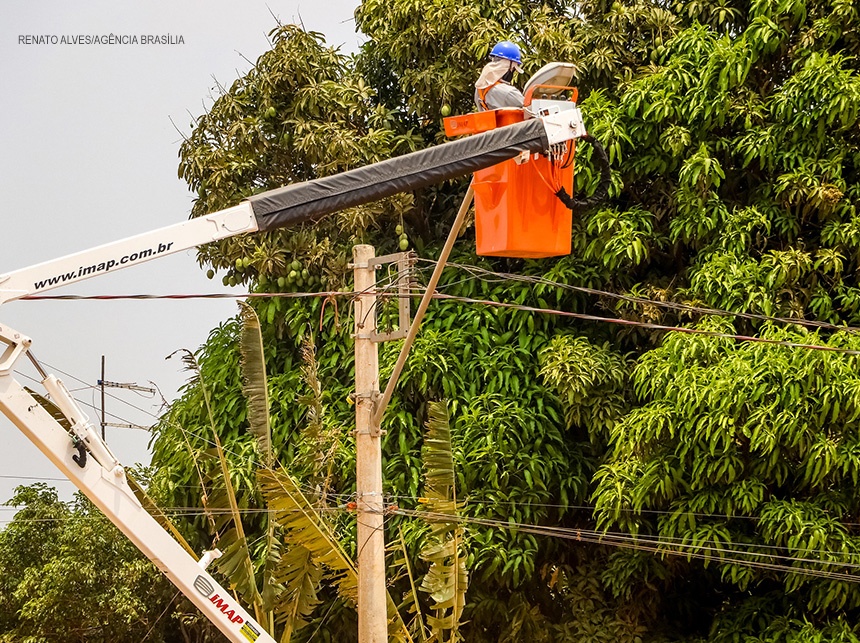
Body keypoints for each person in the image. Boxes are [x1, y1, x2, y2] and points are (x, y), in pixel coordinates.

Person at [474, 41, 525, 111]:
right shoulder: (509, 92)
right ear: (508, 67)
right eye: (513, 69)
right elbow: (530, 109)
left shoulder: (479, 89)